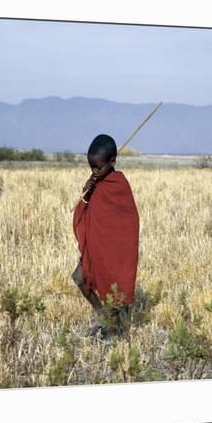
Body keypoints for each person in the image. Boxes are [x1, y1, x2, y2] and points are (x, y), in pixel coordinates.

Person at [72, 134, 140, 338]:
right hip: (93, 248)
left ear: (112, 162)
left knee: (113, 289)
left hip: (113, 252)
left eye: (98, 167)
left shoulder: (119, 184)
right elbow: (82, 212)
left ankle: (113, 328)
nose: (94, 171)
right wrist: (87, 190)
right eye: (91, 167)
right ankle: (103, 316)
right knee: (79, 278)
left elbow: (127, 222)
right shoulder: (94, 183)